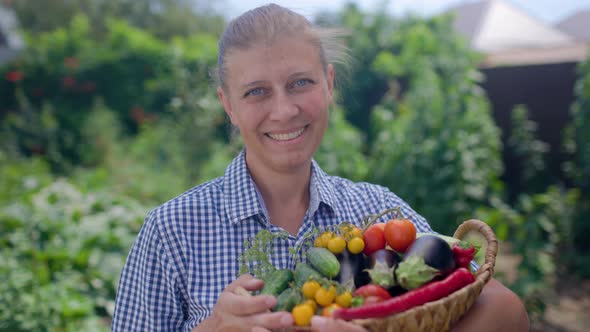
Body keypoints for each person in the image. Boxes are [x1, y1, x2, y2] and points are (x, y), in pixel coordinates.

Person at [111, 3, 529, 332]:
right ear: (229, 106)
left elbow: (505, 312)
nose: (284, 110)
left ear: (329, 84)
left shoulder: (379, 212)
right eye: (256, 91)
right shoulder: (172, 231)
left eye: (300, 83)